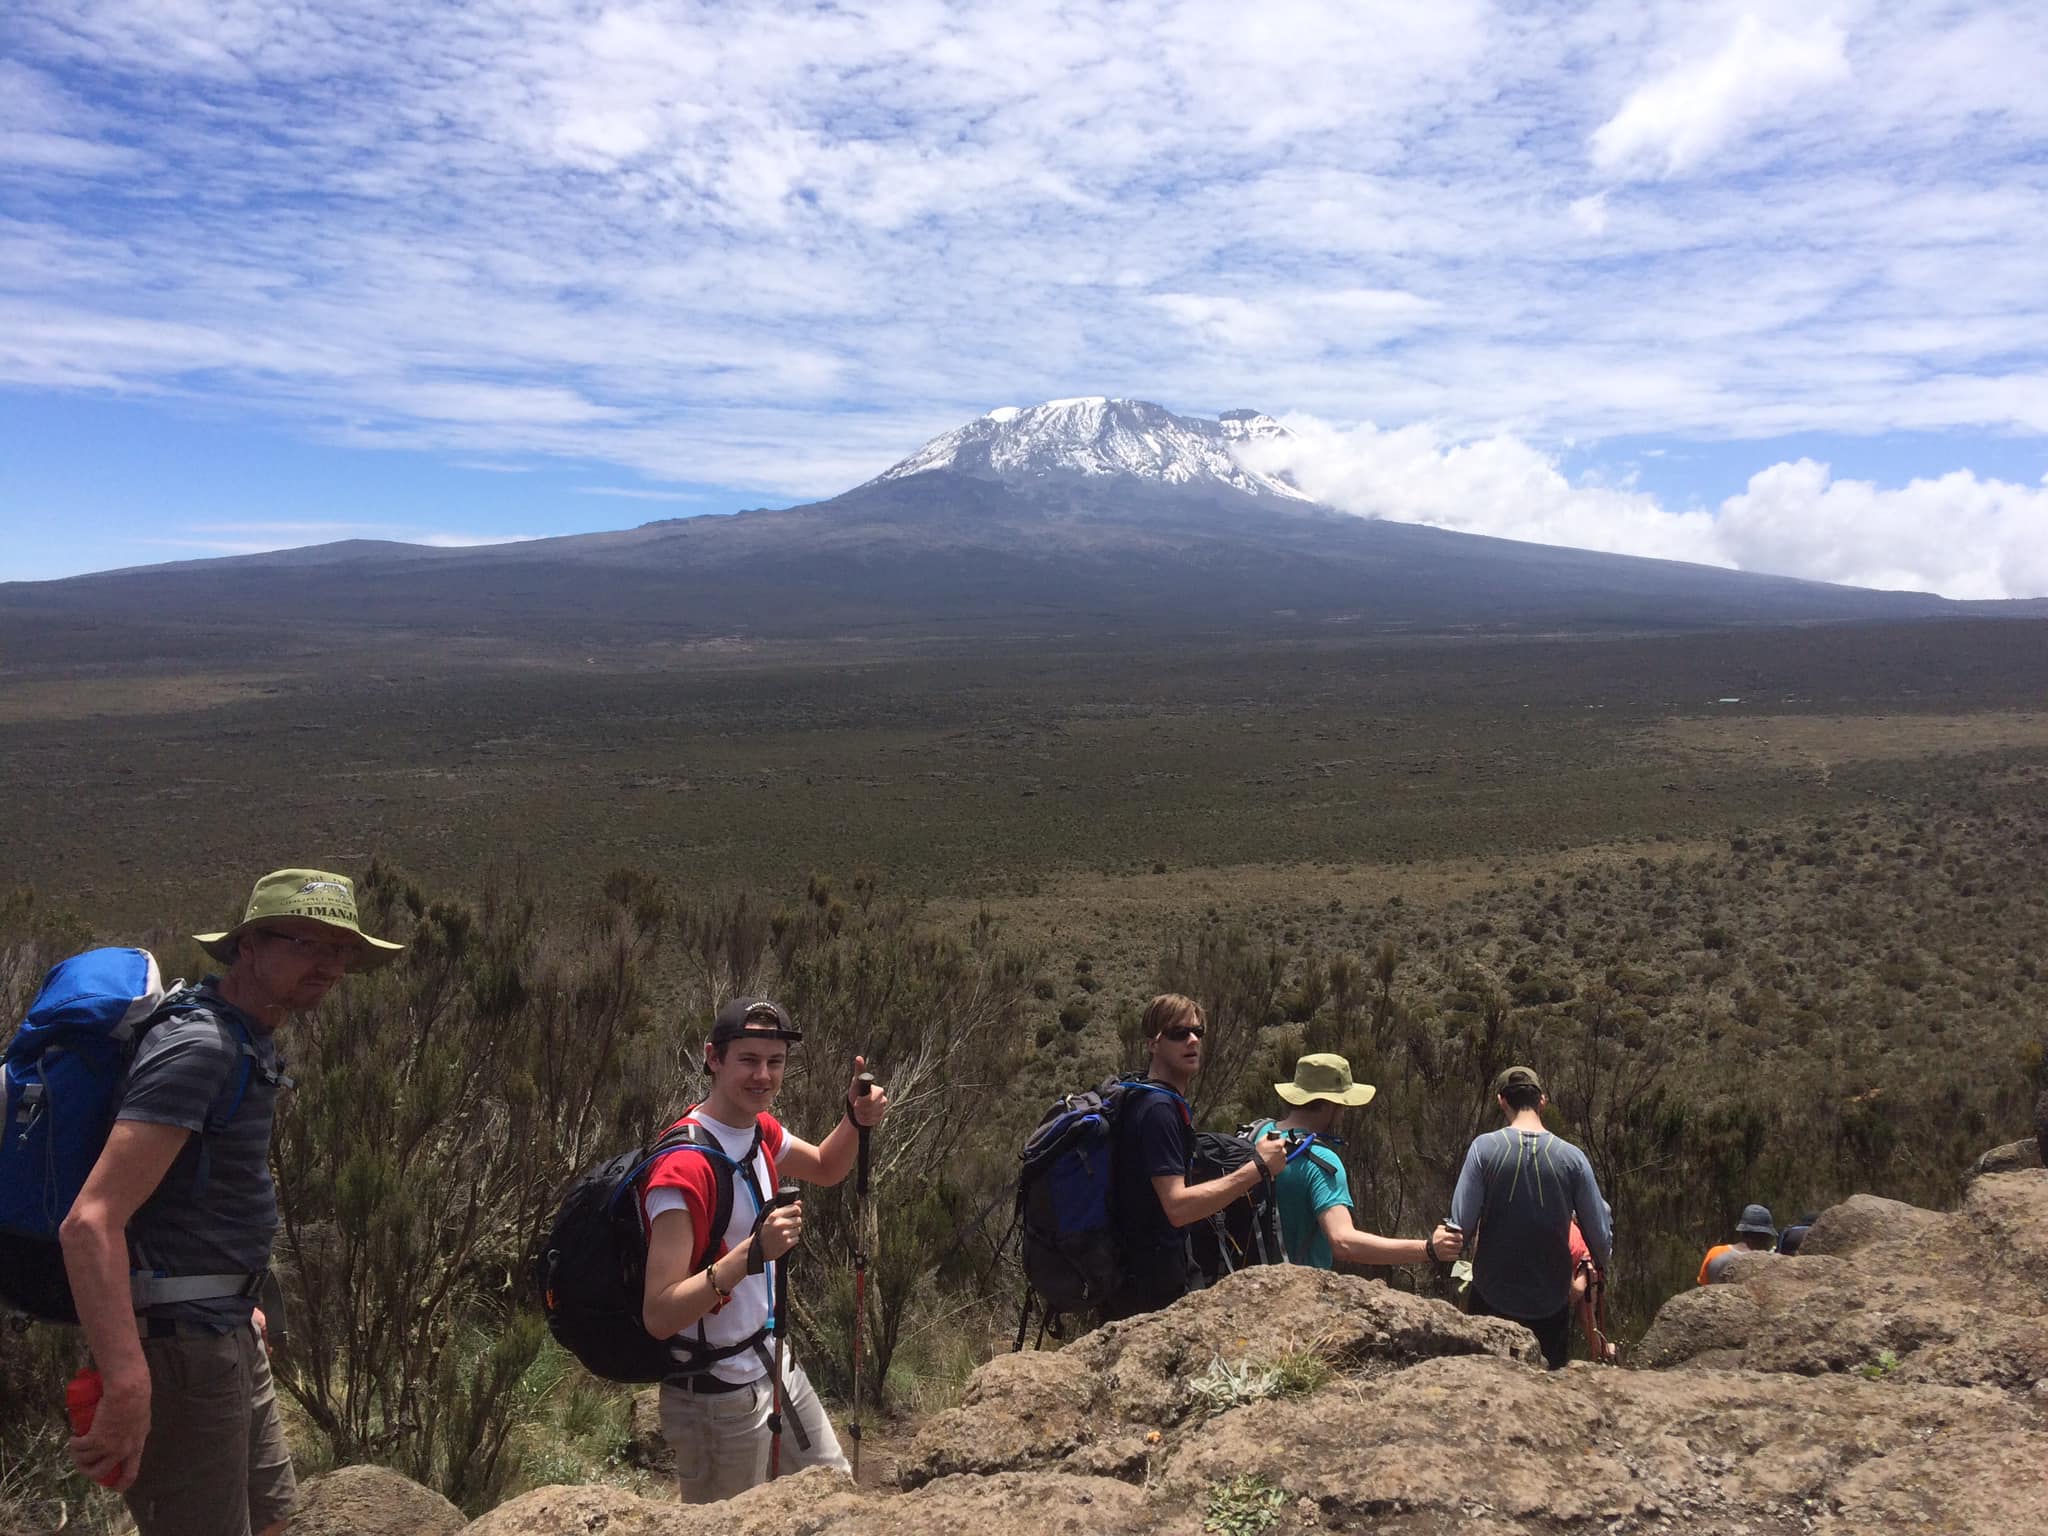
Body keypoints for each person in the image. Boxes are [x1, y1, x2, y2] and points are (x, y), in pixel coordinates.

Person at [60, 869, 403, 1536]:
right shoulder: (200, 1046)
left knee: (272, 1520)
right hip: (181, 1350)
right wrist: (129, 1382)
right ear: (247, 946)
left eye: (342, 951)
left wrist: (242, 1298)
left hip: (225, 1330)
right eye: (307, 944)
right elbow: (90, 1222)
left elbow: (199, 1192)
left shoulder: (245, 1037)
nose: (329, 966)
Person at [638, 997, 890, 1503]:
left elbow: (823, 1165)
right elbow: (660, 1314)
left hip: (772, 1365)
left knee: (835, 1499)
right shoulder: (683, 1169)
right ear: (714, 1058)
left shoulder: (757, 1131)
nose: (764, 1076)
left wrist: (854, 1119)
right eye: (748, 1060)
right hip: (714, 1397)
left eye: (775, 1063)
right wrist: (749, 1256)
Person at [1100, 994, 1287, 1322]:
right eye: (1178, 1033)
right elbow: (1178, 1207)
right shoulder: (1158, 1110)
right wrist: (1257, 1167)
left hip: (1133, 1278)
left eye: (1198, 1032)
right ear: (1152, 1044)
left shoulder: (1143, 1096)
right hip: (1153, 1288)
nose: (1192, 1041)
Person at [1449, 1065, 1613, 1370]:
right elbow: (1601, 1240)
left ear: (1501, 1101)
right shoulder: (1573, 1158)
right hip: (1551, 1304)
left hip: (1490, 1298)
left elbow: (1461, 1226)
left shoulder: (1483, 1149)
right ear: (1542, 1102)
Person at [1249, 1052, 1462, 1271]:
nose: (1343, 1113)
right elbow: (1343, 1243)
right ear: (1328, 1105)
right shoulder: (1321, 1161)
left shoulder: (1258, 1134)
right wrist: (1428, 1249)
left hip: (1242, 1283)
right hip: (1292, 1295)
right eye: (1341, 1104)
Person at [1698, 1204, 1778, 1282]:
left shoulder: (1715, 1253)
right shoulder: (1764, 1263)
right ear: (1764, 1236)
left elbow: (1702, 1285)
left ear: (1742, 1231)